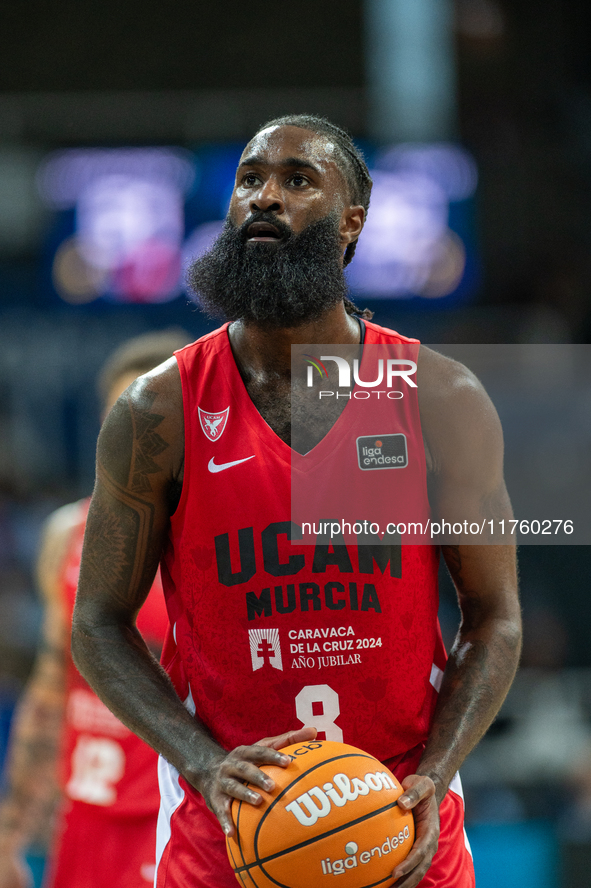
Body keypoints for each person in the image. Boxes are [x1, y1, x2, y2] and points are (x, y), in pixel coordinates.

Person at [71, 115, 522, 888]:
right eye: (249, 180)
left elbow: (494, 617)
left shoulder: (439, 397)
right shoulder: (159, 411)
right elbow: (98, 625)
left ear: (352, 223)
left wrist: (436, 773)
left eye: (297, 180)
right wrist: (203, 764)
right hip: (228, 824)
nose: (264, 199)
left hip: (402, 816)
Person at [0, 330, 190, 888]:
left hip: (177, 820)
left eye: (153, 420)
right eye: (122, 419)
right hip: (85, 821)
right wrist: (12, 829)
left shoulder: (222, 546)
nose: (136, 437)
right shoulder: (68, 534)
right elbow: (51, 683)